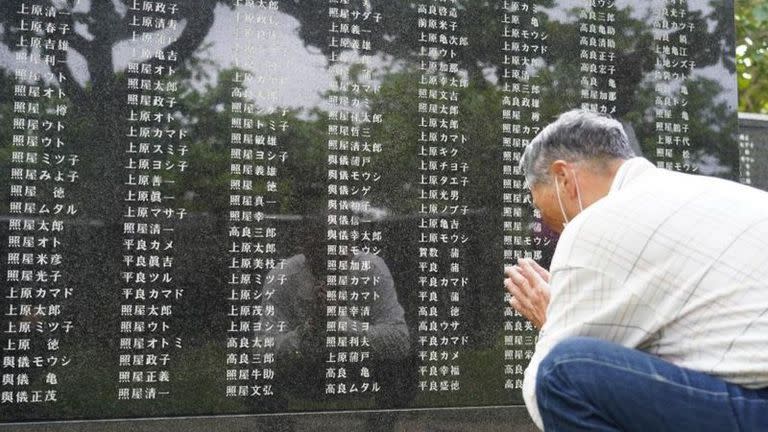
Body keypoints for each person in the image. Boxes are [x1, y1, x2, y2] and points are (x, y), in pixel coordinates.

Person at [503, 109, 768, 431]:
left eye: (538, 206)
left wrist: (551, 321)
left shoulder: (596, 223)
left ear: (563, 177)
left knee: (561, 370)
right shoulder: (726, 193)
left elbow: (541, 396)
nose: (546, 223)